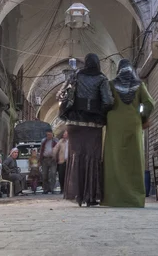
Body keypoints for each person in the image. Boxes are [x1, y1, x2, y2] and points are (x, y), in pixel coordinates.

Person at [59, 53, 113, 207]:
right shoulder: (101, 79)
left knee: (77, 157)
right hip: (92, 124)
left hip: (74, 123)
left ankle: (77, 194)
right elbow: (108, 100)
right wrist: (102, 111)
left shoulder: (76, 75)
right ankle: (90, 196)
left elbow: (64, 94)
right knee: (92, 158)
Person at [102, 59, 155, 208]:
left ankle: (114, 198)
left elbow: (105, 102)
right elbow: (149, 103)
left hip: (114, 125)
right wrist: (143, 117)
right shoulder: (139, 85)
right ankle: (134, 199)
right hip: (133, 124)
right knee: (134, 160)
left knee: (115, 160)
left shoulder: (111, 84)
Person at [39, 130, 58, 194]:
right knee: (44, 175)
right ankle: (46, 189)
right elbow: (41, 150)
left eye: (50, 135)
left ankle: (52, 188)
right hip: (45, 159)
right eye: (47, 135)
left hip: (52, 159)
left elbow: (58, 149)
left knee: (53, 173)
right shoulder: (43, 141)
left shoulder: (55, 141)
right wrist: (40, 159)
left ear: (52, 135)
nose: (48, 136)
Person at [53, 130, 69, 194]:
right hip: (62, 161)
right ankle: (62, 189)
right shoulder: (61, 141)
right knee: (61, 176)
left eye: (65, 134)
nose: (63, 135)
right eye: (63, 134)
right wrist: (53, 156)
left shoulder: (72, 141)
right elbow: (55, 149)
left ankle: (68, 189)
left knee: (68, 176)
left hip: (69, 162)